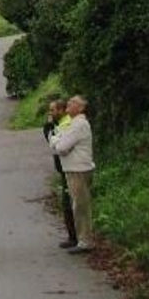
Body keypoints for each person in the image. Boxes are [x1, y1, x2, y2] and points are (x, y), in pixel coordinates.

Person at [50, 94, 95, 252]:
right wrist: (57, 141)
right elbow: (60, 142)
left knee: (80, 206)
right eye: (69, 101)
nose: (69, 103)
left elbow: (61, 147)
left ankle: (85, 241)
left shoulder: (79, 125)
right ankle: (81, 239)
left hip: (79, 170)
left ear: (81, 108)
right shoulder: (74, 123)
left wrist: (55, 141)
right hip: (74, 169)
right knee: (77, 205)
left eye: (73, 102)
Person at [42, 98, 78, 248]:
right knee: (67, 203)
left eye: (53, 110)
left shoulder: (65, 124)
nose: (50, 113)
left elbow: (56, 144)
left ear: (61, 110)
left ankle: (75, 238)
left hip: (69, 168)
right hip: (64, 168)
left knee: (69, 204)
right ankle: (73, 237)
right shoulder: (59, 123)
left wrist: (49, 129)